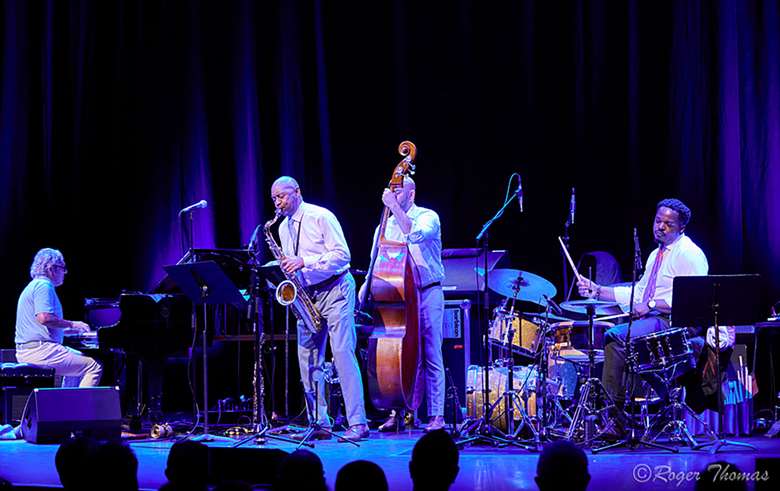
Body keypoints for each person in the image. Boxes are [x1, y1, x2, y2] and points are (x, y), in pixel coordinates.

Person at [577, 199, 709, 406]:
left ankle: (613, 416)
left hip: (676, 322)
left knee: (616, 336)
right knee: (622, 339)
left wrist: (650, 305)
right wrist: (598, 290)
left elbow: (694, 298)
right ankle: (662, 393)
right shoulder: (656, 254)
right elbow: (638, 294)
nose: (661, 227)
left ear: (681, 227)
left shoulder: (689, 253)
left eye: (668, 224)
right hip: (656, 318)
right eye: (658, 221)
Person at [270, 176, 369, 442]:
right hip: (306, 296)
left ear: (297, 192)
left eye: (282, 196)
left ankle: (358, 422)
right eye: (274, 199)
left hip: (336, 289)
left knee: (342, 353)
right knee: (308, 359)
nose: (278, 202)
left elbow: (342, 255)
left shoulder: (321, 216)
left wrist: (304, 261)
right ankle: (319, 421)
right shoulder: (282, 228)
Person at [360, 176, 446, 432]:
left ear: (412, 193)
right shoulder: (383, 226)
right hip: (398, 297)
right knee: (399, 354)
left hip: (427, 292)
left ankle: (436, 415)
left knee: (431, 353)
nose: (394, 195)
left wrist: (394, 208)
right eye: (392, 191)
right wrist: (366, 285)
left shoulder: (427, 216)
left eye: (399, 191)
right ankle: (397, 411)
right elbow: (376, 261)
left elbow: (415, 234)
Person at [14, 248, 102, 387]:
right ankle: (79, 408)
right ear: (51, 268)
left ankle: (67, 405)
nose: (65, 272)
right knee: (94, 366)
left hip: (28, 350)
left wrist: (67, 331)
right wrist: (73, 324)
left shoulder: (31, 286)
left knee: (78, 359)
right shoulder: (44, 286)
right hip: (41, 352)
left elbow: (39, 327)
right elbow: (45, 319)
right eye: (63, 268)